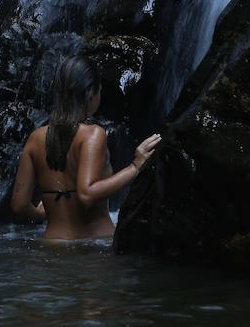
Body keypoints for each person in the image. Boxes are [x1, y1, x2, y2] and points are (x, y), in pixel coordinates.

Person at [10, 54, 161, 239]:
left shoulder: (35, 138)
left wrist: (42, 213)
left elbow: (19, 206)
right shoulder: (93, 134)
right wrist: (135, 166)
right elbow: (87, 193)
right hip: (93, 250)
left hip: (52, 248)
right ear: (91, 93)